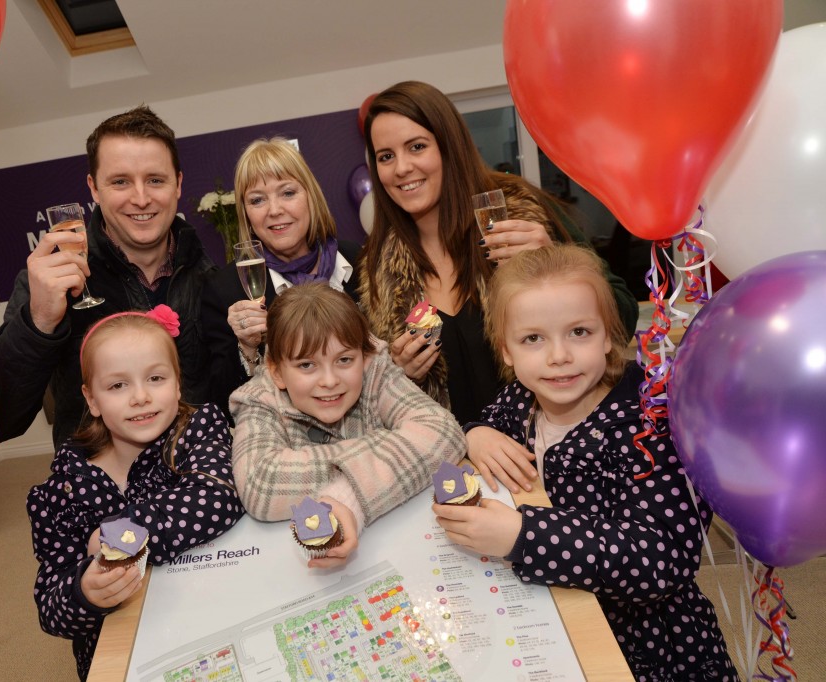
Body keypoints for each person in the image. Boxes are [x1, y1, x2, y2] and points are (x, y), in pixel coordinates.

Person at [434, 243, 737, 681]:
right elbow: (489, 420)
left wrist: (523, 535)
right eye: (533, 339)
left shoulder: (652, 427)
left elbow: (661, 561)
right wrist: (476, 432)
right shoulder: (520, 399)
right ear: (506, 350)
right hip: (553, 621)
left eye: (579, 332)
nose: (558, 356)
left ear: (609, 335)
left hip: (649, 649)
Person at [358, 80, 638, 425]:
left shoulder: (523, 216)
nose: (401, 167)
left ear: (449, 146)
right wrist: (400, 374)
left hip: (553, 444)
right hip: (453, 455)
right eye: (386, 156)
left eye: (416, 147)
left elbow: (622, 319)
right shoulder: (376, 270)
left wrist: (555, 261)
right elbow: (370, 402)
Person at [27, 307, 243, 680]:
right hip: (124, 655)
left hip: (202, 622)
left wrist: (120, 534)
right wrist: (85, 593)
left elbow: (218, 497)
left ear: (178, 383)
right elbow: (50, 610)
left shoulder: (197, 432)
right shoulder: (61, 492)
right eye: (118, 386)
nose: (140, 396)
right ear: (92, 400)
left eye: (155, 378)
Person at [0, 104, 216, 449]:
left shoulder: (211, 279)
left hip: (196, 475)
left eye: (155, 180)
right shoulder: (51, 283)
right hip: (96, 478)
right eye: (120, 181)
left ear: (178, 184)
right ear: (94, 189)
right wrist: (39, 321)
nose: (141, 198)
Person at [230, 282, 465, 568]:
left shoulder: (374, 369)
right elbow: (259, 486)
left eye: (344, 360)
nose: (329, 381)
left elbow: (444, 432)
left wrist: (348, 496)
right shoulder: (258, 398)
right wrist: (389, 448)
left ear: (362, 357)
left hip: (393, 553)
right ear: (277, 372)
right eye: (306, 365)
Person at [201, 137, 363, 417]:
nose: (274, 210)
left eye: (287, 193)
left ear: (310, 195)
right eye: (257, 200)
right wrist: (247, 349)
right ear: (246, 213)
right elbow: (221, 406)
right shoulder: (225, 289)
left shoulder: (357, 260)